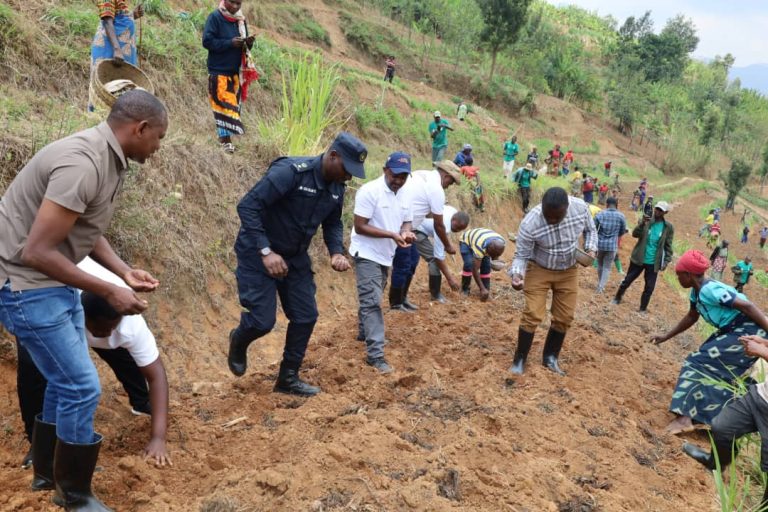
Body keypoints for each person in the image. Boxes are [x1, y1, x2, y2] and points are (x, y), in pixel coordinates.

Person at [0, 90, 168, 511]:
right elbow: (36, 251)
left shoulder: (106, 158)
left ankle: (45, 473)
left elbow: (84, 229)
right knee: (80, 386)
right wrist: (107, 290)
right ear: (140, 128)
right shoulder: (83, 162)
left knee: (64, 381)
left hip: (51, 282)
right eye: (158, 138)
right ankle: (73, 495)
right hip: (26, 283)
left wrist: (123, 271)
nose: (158, 147)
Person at [227, 132, 367, 396]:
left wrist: (336, 251)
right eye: (347, 169)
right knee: (261, 321)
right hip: (258, 251)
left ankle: (287, 379)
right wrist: (266, 251)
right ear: (333, 155)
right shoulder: (291, 172)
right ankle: (239, 338)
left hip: (294, 256)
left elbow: (333, 222)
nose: (348, 177)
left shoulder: (337, 187)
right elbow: (248, 206)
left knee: (306, 316)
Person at [17, 258, 171, 470]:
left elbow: (157, 376)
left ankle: (141, 402)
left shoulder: (131, 325)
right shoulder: (61, 312)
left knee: (121, 352)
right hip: (38, 293)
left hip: (90, 305)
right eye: (97, 330)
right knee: (33, 368)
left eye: (109, 329)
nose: (104, 334)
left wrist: (158, 438)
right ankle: (37, 445)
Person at [650, 250, 768, 435]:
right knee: (716, 369)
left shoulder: (710, 290)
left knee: (697, 362)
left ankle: (684, 418)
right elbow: (691, 317)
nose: (677, 277)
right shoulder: (696, 293)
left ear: (688, 275)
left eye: (679, 274)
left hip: (749, 329)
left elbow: (747, 306)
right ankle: (718, 418)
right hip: (731, 330)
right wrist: (666, 336)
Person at [508, 187, 597, 376]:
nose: (553, 221)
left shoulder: (580, 208)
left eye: (557, 217)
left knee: (564, 317)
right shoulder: (530, 222)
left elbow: (590, 230)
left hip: (569, 270)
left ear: (567, 208)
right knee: (532, 312)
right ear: (542, 208)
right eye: (549, 217)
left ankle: (550, 358)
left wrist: (590, 249)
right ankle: (520, 359)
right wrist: (516, 275)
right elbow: (521, 255)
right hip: (539, 268)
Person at [681, 334, 768, 510]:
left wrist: (763, 352)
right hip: (760, 396)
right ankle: (715, 463)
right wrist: (763, 343)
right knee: (722, 428)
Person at [350, 152, 415, 374]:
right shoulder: (370, 191)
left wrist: (406, 233)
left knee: (373, 296)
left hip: (386, 253)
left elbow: (407, 220)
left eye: (403, 176)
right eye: (395, 175)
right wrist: (391, 235)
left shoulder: (406, 194)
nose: (398, 180)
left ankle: (363, 331)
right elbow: (360, 226)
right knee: (372, 302)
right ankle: (375, 355)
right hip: (366, 252)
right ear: (385, 170)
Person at [389, 160, 462, 312]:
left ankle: (402, 298)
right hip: (402, 228)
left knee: (412, 261)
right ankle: (396, 303)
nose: (450, 185)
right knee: (403, 265)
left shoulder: (423, 174)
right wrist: (448, 245)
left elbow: (422, 207)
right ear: (446, 176)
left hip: (408, 227)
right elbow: (438, 225)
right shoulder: (436, 189)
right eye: (451, 181)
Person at [203, 0, 259, 153]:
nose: (235, 6)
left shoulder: (240, 20)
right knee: (224, 106)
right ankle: (225, 142)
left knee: (233, 106)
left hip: (236, 72)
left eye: (238, 3)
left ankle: (226, 140)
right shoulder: (215, 17)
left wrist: (248, 42)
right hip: (219, 70)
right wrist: (229, 43)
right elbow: (207, 41)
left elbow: (243, 46)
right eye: (232, 3)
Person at [612, 201, 674, 312]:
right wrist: (642, 223)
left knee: (649, 287)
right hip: (639, 258)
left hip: (653, 262)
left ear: (666, 212)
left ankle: (642, 308)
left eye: (661, 210)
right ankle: (617, 297)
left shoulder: (668, 227)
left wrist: (666, 261)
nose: (657, 212)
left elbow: (668, 246)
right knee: (628, 280)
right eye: (657, 209)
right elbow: (635, 234)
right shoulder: (647, 221)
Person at [88, 1, 143, 111]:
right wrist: (117, 49)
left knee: (122, 86)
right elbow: (108, 20)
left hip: (123, 47)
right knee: (105, 88)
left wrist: (132, 15)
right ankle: (101, 120)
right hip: (111, 46)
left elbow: (117, 15)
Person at [413, 207, 470, 303]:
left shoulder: (453, 212)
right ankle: (435, 295)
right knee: (434, 260)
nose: (457, 230)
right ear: (453, 219)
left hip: (419, 224)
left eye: (460, 229)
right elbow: (438, 257)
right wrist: (450, 279)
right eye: (456, 227)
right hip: (416, 230)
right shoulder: (443, 225)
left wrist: (447, 245)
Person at [459, 228, 506, 300]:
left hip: (483, 239)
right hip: (466, 241)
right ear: (487, 249)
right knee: (469, 265)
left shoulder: (502, 242)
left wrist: (496, 261)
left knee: (486, 267)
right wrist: (482, 288)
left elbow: (496, 255)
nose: (492, 257)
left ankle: (486, 291)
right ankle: (465, 290)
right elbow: (475, 270)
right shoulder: (480, 246)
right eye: (491, 254)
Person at [594, 197, 627, 294]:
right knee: (607, 266)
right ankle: (601, 286)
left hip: (600, 244)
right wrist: (617, 236)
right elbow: (623, 230)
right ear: (616, 204)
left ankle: (600, 284)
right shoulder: (621, 216)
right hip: (612, 245)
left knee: (600, 264)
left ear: (607, 204)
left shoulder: (600, 214)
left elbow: (593, 228)